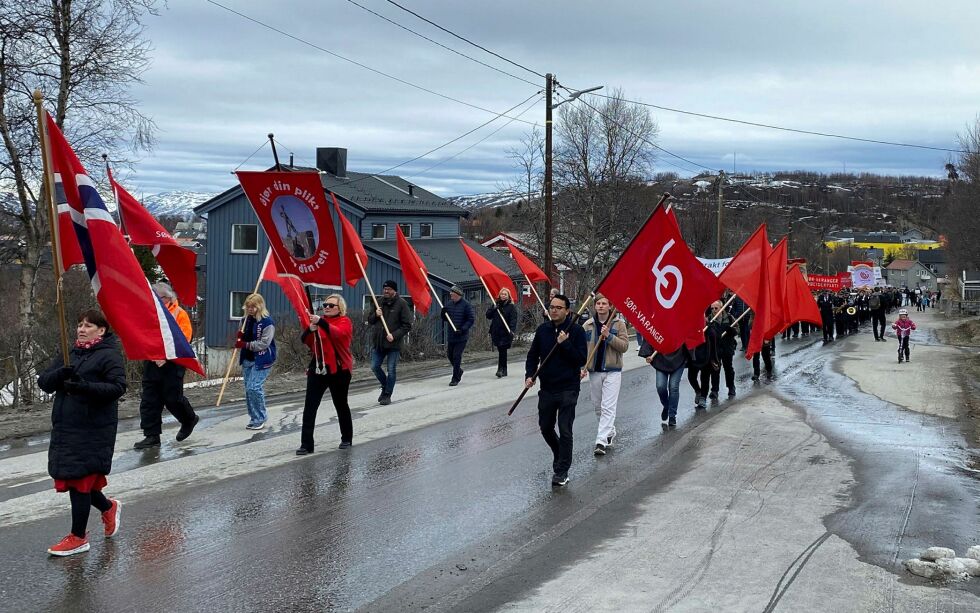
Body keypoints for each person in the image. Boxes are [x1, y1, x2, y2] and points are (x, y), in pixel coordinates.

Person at [38, 309, 126, 556]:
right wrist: (60, 374)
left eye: (88, 325)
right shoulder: (70, 353)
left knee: (80, 482)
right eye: (79, 325)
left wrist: (84, 387)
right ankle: (108, 507)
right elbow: (44, 382)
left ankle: (78, 537)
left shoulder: (108, 355)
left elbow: (118, 387)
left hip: (93, 428)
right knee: (73, 477)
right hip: (66, 426)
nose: (81, 329)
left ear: (101, 330)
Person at [525, 294, 587, 487]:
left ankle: (562, 471)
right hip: (547, 388)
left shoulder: (575, 331)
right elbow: (533, 355)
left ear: (567, 311)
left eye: (559, 307)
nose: (554, 310)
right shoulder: (543, 330)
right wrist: (529, 375)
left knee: (565, 429)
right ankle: (559, 452)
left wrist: (565, 343)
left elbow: (581, 360)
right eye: (552, 307)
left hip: (568, 388)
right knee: (545, 427)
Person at [134, 282, 200, 449]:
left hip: (173, 363)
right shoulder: (150, 313)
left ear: (168, 298)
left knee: (172, 398)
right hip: (152, 362)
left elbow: (184, 339)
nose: (154, 300)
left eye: (158, 297)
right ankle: (151, 436)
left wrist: (167, 357)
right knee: (149, 400)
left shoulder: (180, 314)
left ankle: (189, 419)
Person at [297, 295, 354, 454]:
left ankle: (346, 438)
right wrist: (310, 329)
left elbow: (339, 335)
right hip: (318, 369)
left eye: (331, 305)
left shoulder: (345, 322)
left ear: (339, 308)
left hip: (339, 370)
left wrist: (320, 322)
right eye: (325, 305)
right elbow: (305, 340)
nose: (327, 307)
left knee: (341, 404)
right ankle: (306, 444)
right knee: (310, 407)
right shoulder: (317, 321)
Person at [580, 294, 629, 456]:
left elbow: (624, 346)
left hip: (612, 370)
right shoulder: (588, 325)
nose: (601, 306)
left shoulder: (618, 324)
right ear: (595, 306)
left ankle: (600, 441)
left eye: (604, 303)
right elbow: (582, 350)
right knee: (598, 406)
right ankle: (610, 431)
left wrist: (609, 336)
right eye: (598, 303)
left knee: (608, 406)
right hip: (595, 371)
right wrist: (582, 366)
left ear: (610, 306)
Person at [366, 280, 413, 405]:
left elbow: (407, 325)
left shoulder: (401, 304)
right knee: (375, 366)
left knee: (391, 369)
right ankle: (385, 385)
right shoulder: (378, 302)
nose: (386, 291)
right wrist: (375, 315)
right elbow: (370, 320)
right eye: (384, 289)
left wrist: (395, 335)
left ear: (394, 290)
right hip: (379, 342)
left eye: (389, 289)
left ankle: (387, 394)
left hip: (394, 344)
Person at [236, 293, 277, 430]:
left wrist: (246, 345)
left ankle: (260, 417)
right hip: (247, 358)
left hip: (262, 358)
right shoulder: (244, 320)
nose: (250, 309)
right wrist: (240, 338)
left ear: (260, 306)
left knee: (254, 387)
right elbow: (242, 337)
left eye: (253, 306)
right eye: (248, 306)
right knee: (248, 389)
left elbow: (264, 343)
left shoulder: (267, 322)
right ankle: (254, 417)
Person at [639, 338, 686, 427]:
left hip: (679, 358)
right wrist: (648, 354)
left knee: (673, 387)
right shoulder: (659, 324)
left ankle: (672, 416)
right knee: (660, 387)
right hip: (661, 359)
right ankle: (666, 405)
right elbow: (650, 333)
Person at [441, 285, 475, 386]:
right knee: (450, 355)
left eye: (452, 292)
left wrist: (463, 329)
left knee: (456, 356)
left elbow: (471, 319)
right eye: (450, 292)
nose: (450, 294)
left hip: (461, 336)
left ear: (458, 294)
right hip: (451, 335)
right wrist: (443, 313)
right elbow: (445, 319)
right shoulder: (449, 304)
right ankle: (459, 370)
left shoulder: (466, 305)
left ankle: (455, 378)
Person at [686, 313, 719, 408]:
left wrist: (709, 328)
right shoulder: (690, 325)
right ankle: (698, 391)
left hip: (706, 357)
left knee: (705, 378)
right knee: (691, 377)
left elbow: (716, 338)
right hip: (694, 357)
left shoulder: (709, 327)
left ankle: (703, 398)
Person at [708, 300, 738, 398]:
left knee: (728, 368)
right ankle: (715, 390)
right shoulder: (709, 320)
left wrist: (732, 331)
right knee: (715, 369)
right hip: (715, 348)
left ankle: (731, 387)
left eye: (716, 308)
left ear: (721, 308)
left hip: (727, 347)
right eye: (712, 308)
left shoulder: (729, 318)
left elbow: (737, 330)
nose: (713, 310)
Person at [487, 287, 519, 377]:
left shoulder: (511, 307)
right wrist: (494, 309)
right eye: (502, 294)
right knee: (500, 350)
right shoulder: (495, 304)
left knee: (502, 350)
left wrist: (512, 330)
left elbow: (513, 320)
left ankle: (500, 369)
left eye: (505, 294)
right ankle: (504, 369)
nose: (503, 296)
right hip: (496, 331)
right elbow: (488, 315)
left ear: (508, 296)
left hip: (506, 332)